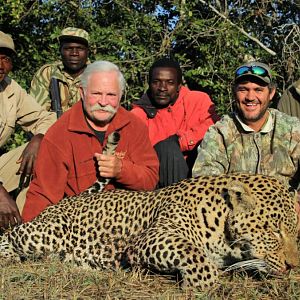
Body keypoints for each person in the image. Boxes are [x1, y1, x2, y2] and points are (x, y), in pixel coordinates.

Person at [22, 60, 159, 222]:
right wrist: (29, 233)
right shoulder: (59, 133)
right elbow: (43, 194)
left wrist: (121, 170)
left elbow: (150, 180)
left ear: (120, 96)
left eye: (111, 95)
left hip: (130, 221)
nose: (103, 102)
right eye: (96, 94)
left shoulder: (135, 126)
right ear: (82, 92)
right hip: (83, 225)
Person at [192, 61, 300, 205]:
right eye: (243, 89)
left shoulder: (292, 129)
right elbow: (204, 184)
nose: (250, 97)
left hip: (285, 214)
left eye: (258, 90)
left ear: (271, 93)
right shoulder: (220, 133)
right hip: (238, 216)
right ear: (234, 92)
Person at [131, 58, 219, 188]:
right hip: (159, 183)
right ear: (149, 84)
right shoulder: (137, 116)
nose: (162, 88)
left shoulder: (198, 101)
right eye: (156, 82)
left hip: (198, 176)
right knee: (166, 149)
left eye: (169, 83)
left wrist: (180, 141)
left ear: (179, 86)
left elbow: (213, 128)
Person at [0, 31, 56, 228]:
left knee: (42, 153)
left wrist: (39, 138)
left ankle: (23, 228)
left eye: (5, 59)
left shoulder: (9, 88)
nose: (0, 65)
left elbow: (45, 117)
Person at [30, 27, 90, 117]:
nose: (74, 53)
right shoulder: (47, 73)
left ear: (87, 52)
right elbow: (37, 114)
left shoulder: (99, 75)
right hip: (52, 128)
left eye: (80, 48)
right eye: (68, 48)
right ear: (60, 51)